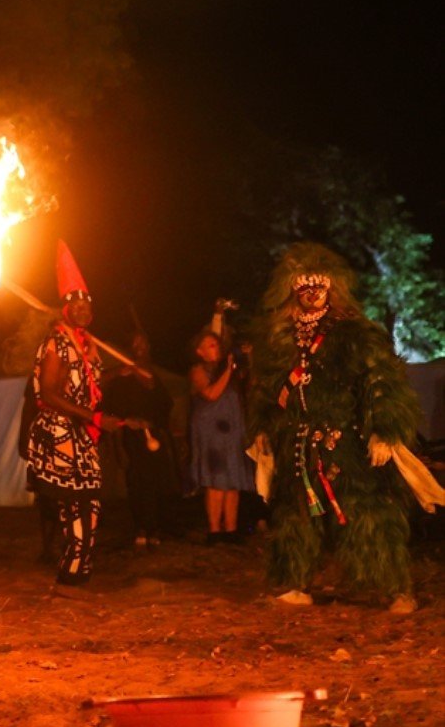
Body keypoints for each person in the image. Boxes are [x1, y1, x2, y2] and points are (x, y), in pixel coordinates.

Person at [248, 245, 440, 613]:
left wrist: (385, 429)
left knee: (368, 514)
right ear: (292, 289)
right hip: (297, 443)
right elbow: (266, 389)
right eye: (303, 287)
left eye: (318, 286)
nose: (311, 294)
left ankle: (395, 588)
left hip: (345, 441)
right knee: (295, 514)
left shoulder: (354, 333)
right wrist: (263, 428)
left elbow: (380, 380)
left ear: (331, 288)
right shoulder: (278, 337)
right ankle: (295, 582)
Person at [24, 243, 145, 590]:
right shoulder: (56, 344)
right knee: (78, 503)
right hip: (60, 431)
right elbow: (47, 393)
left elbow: (82, 382)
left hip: (81, 431)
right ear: (65, 308)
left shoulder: (84, 343)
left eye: (86, 305)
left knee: (89, 504)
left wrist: (113, 377)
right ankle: (70, 576)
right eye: (75, 305)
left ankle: (77, 571)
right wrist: (93, 417)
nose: (82, 310)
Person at [102, 331, 176, 549]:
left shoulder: (154, 377)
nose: (139, 345)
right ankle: (141, 528)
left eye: (143, 342)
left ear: (149, 347)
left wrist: (152, 423)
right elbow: (111, 408)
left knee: (157, 482)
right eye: (135, 342)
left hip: (154, 436)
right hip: (132, 437)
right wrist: (128, 421)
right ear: (131, 348)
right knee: (137, 483)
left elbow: (165, 405)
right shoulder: (121, 377)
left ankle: (155, 528)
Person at [188, 302, 254, 545]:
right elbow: (211, 394)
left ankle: (231, 529)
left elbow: (248, 389)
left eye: (216, 344)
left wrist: (249, 358)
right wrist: (228, 369)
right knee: (216, 483)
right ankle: (215, 530)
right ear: (200, 352)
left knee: (233, 482)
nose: (215, 347)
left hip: (232, 431)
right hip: (212, 434)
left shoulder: (231, 370)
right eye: (209, 345)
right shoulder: (198, 370)